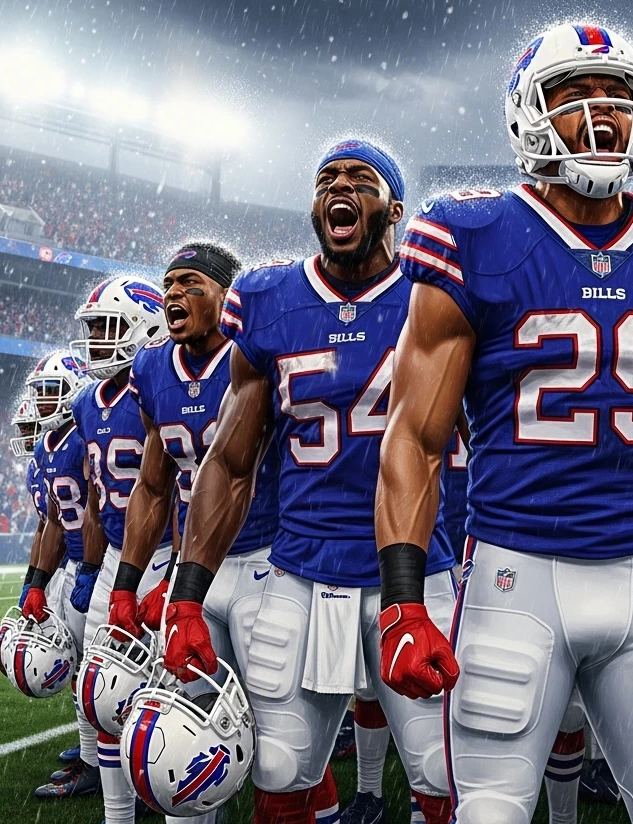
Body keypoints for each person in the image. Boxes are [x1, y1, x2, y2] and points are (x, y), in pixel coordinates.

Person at [375, 23, 633, 824]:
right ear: (528, 116)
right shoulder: (473, 234)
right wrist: (402, 600)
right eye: (575, 97)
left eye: (623, 97)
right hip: (516, 572)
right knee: (491, 811)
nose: (605, 116)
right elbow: (415, 435)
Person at [159, 139, 454, 824]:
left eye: (359, 177)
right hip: (301, 570)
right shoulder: (269, 300)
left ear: (395, 208)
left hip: (413, 568)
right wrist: (186, 597)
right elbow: (230, 465)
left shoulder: (433, 294)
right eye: (326, 179)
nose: (339, 187)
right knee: (282, 770)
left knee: (445, 775)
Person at [70, 276, 175, 824]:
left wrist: (177, 571)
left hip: (165, 555)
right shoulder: (87, 401)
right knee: (100, 690)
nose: (97, 341)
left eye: (108, 327)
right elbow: (92, 494)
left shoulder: (158, 383)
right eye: (93, 330)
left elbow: (182, 487)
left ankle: (180, 792)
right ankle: (119, 815)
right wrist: (91, 567)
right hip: (117, 554)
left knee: (174, 692)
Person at [18, 351, 96, 799]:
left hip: (101, 564)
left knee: (102, 675)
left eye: (50, 390)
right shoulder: (47, 446)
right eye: (39, 392)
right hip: (71, 566)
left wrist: (90, 566)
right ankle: (93, 758)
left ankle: (115, 765)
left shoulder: (86, 435)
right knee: (80, 670)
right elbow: (50, 520)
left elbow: (103, 510)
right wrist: (36, 581)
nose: (43, 401)